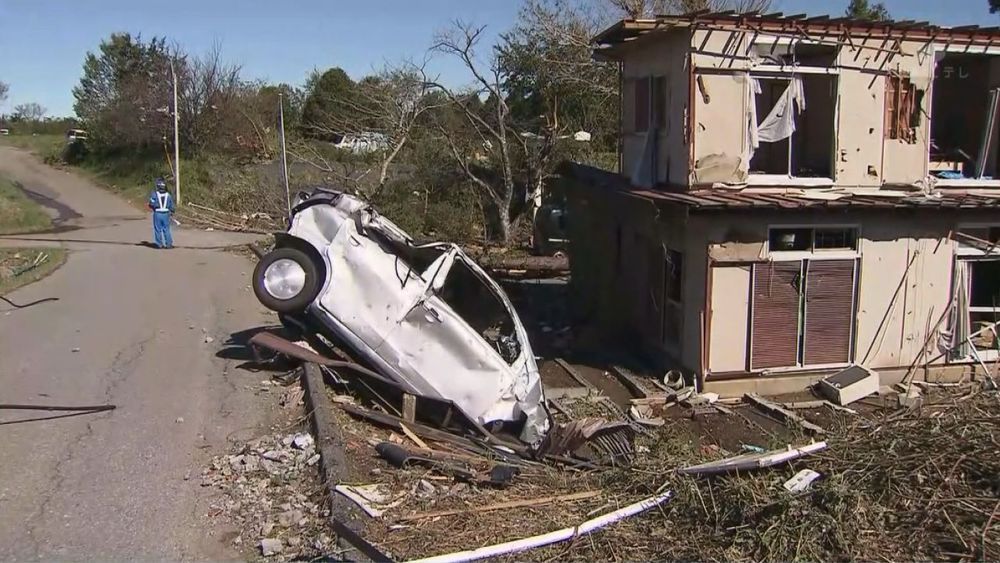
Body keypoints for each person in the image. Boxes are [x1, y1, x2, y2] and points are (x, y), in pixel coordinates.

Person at [148, 178, 175, 249]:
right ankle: (169, 244)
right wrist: (172, 211)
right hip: (166, 213)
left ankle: (159, 244)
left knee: (158, 229)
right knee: (166, 229)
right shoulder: (168, 195)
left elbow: (151, 204)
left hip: (157, 213)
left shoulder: (154, 194)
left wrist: (154, 206)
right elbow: (172, 206)